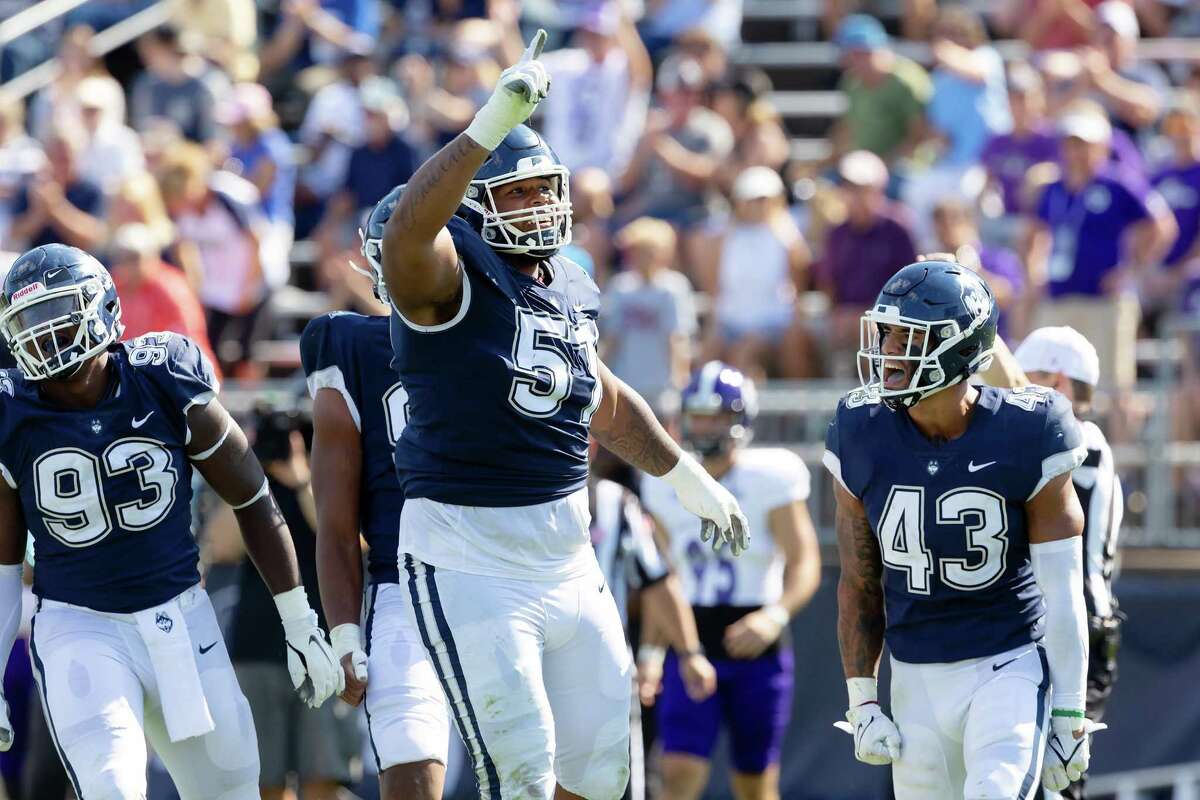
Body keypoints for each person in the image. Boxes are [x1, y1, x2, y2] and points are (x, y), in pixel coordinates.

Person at [375, 30, 749, 800]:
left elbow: (601, 395)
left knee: (606, 774)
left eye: (544, 188)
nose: (537, 204)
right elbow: (410, 235)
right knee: (522, 771)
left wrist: (682, 474)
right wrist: (484, 131)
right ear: (476, 204)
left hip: (568, 554)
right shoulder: (448, 278)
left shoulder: (568, 286)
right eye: (514, 192)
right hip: (469, 556)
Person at [0, 244, 341, 799]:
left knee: (231, 790)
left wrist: (300, 621)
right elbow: (3, 563)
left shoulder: (162, 375)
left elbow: (253, 496)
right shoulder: (12, 409)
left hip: (181, 618)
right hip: (81, 628)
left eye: (56, 314)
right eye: (30, 322)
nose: (44, 334)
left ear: (101, 308)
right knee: (113, 787)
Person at [823, 258, 1100, 799]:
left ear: (960, 350)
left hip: (1007, 665)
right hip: (914, 676)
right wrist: (861, 700)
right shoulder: (860, 430)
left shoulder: (1030, 430)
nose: (888, 352)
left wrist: (1069, 712)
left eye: (909, 337)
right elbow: (859, 582)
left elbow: (1062, 590)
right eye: (887, 333)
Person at [301, 198, 453, 799]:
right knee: (411, 771)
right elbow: (336, 522)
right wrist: (343, 629)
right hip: (403, 582)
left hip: (505, 573)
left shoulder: (510, 334)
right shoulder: (351, 345)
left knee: (536, 771)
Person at [641, 362, 821, 800]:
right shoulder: (663, 484)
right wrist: (651, 649)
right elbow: (659, 578)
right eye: (698, 413)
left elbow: (805, 560)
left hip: (756, 642)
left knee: (755, 784)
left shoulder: (772, 475)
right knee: (678, 770)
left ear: (741, 418)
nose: (704, 425)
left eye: (716, 414)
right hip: (691, 640)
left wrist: (774, 616)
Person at [227, 407, 358, 800]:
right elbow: (219, 545)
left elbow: (346, 536)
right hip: (256, 648)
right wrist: (250, 479)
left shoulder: (332, 474)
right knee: (264, 778)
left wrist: (303, 482)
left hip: (323, 645)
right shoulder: (252, 483)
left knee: (323, 773)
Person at [1014, 327, 1123, 800]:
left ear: (1056, 382)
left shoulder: (1084, 441)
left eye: (1024, 378)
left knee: (1054, 782)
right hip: (1060, 625)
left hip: (1076, 630)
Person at [1021, 105, 1176, 388]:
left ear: (1102, 147)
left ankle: (1119, 435)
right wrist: (1034, 274)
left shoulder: (1119, 183)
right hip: (1060, 296)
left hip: (1105, 299)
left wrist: (1132, 271)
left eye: (1083, 145)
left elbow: (1162, 225)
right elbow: (1034, 233)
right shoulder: (1054, 187)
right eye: (1070, 144)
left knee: (1114, 385)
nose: (1075, 152)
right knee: (1047, 381)